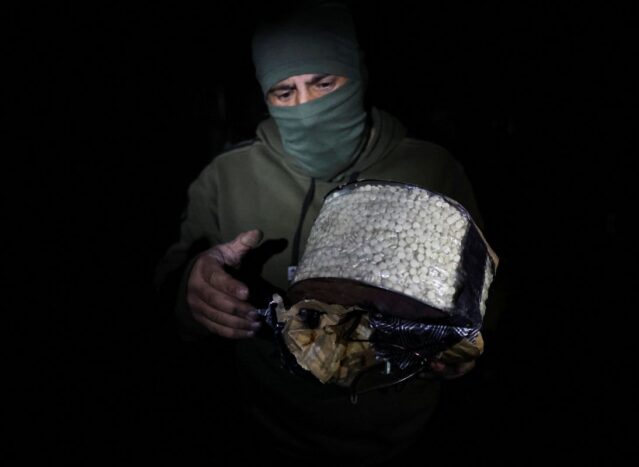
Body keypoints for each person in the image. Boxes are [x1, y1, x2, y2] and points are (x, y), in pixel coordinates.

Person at [155, 2, 488, 465]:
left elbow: (484, 284)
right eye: (284, 91)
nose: (307, 107)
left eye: (324, 83)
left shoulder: (432, 169)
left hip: (403, 429)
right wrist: (191, 291)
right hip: (268, 426)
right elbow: (168, 288)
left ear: (357, 73)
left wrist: (467, 344)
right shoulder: (225, 177)